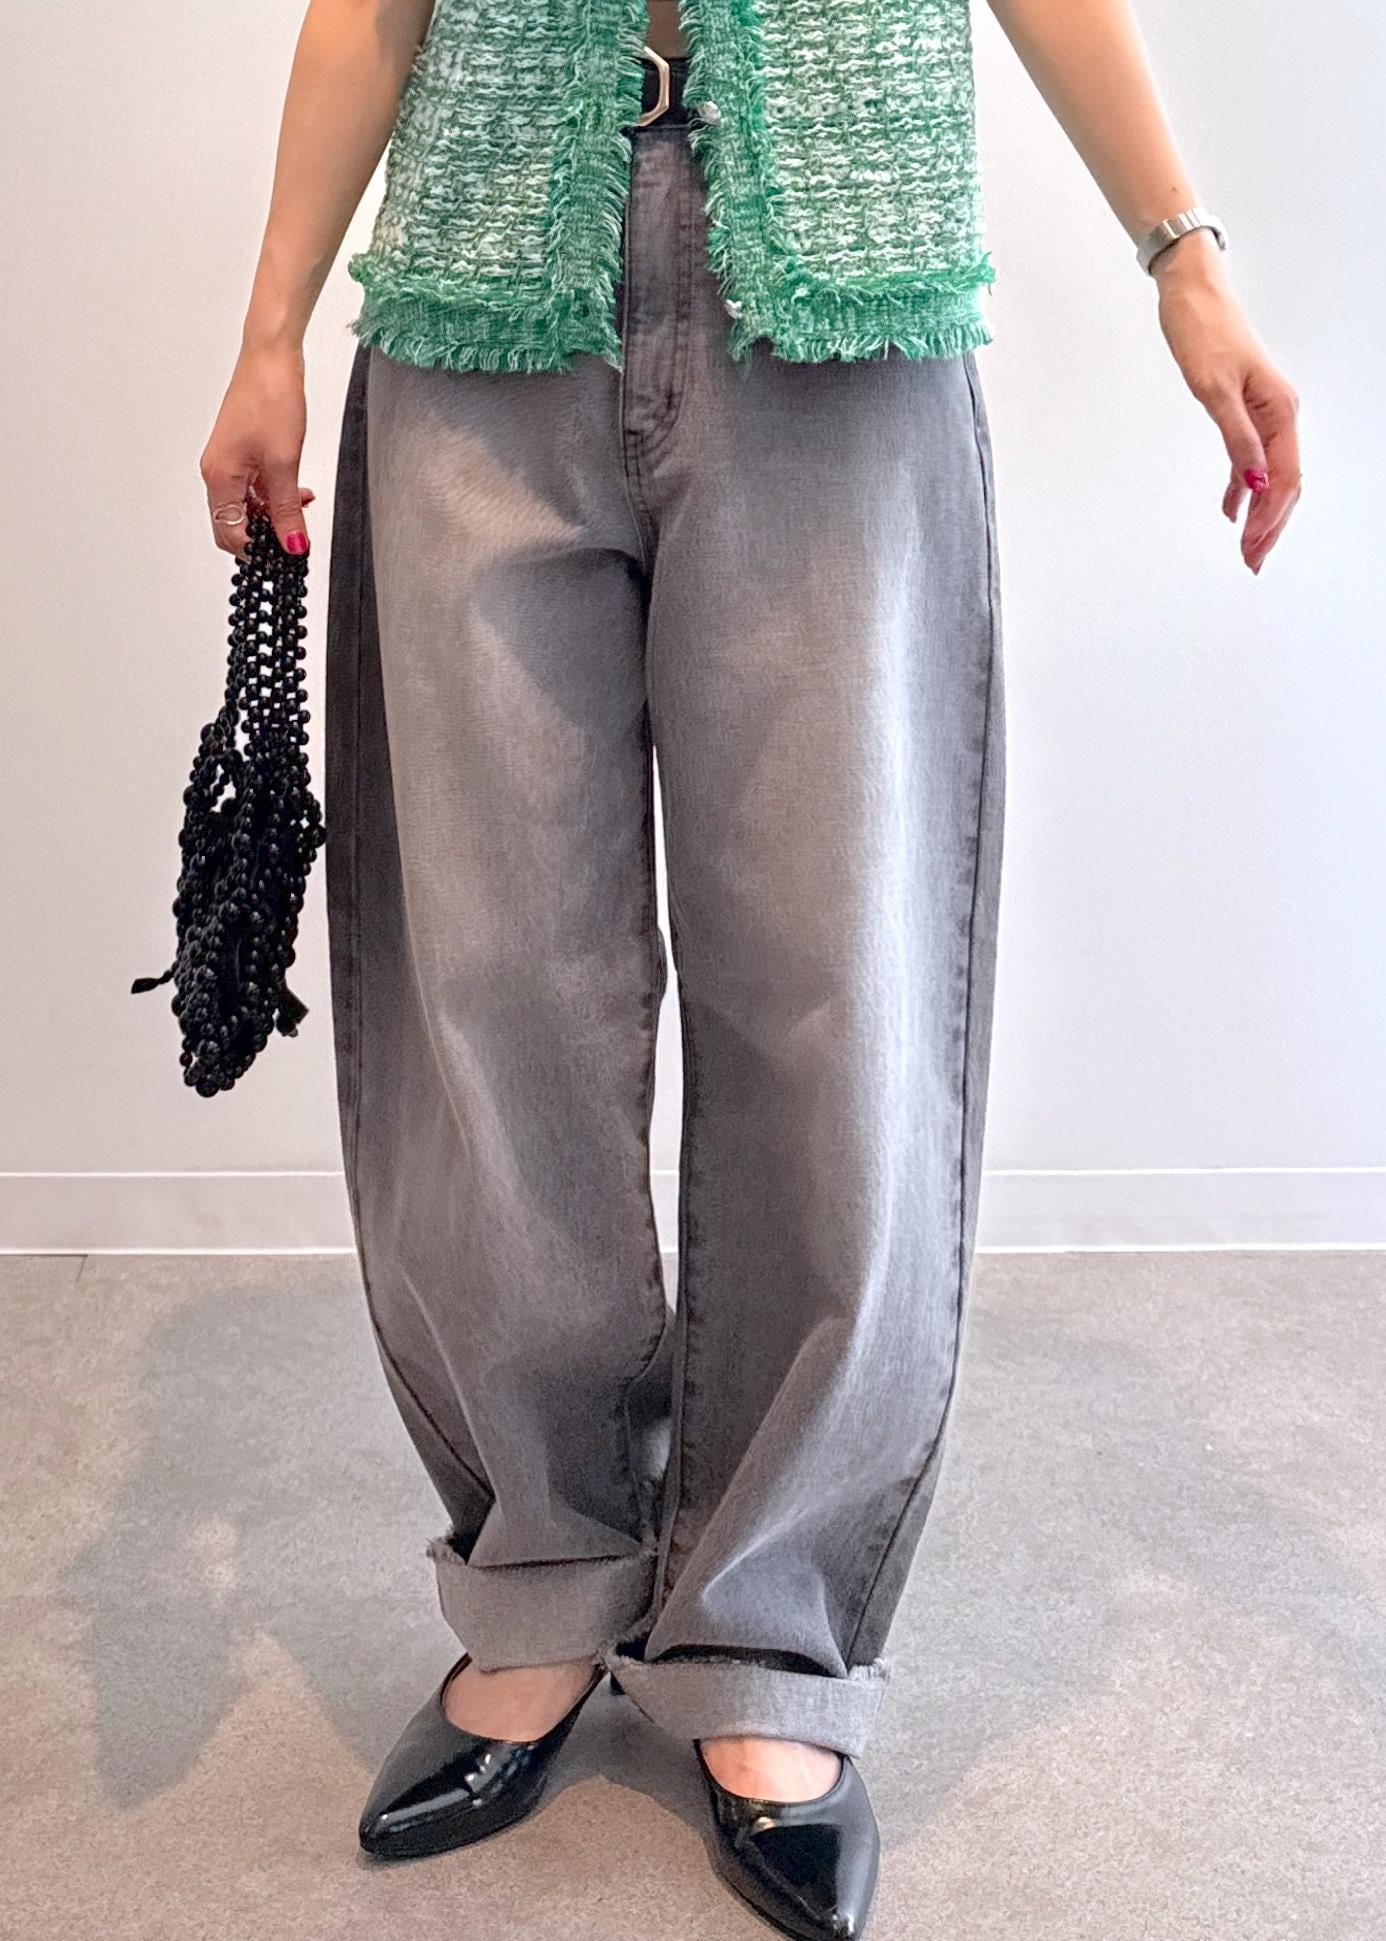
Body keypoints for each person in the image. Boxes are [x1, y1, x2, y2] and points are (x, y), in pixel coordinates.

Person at [200, 3, 1300, 1934]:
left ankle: (770, 1633)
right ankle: (541, 1572)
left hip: (843, 299)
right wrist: (271, 325)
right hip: (478, 293)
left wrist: (1179, 255)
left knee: (835, 976)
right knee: (491, 982)